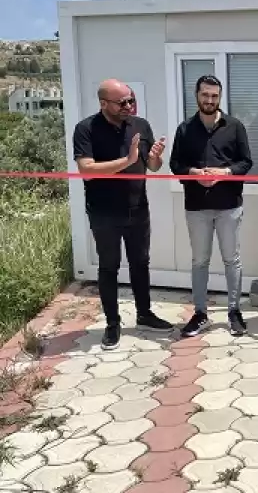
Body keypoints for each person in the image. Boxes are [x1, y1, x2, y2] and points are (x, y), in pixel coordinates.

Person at [73, 79, 173, 351]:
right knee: (109, 267)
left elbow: (152, 166)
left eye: (132, 100)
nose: (129, 106)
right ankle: (112, 324)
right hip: (104, 212)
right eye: (123, 102)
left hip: (138, 208)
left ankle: (144, 314)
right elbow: (87, 170)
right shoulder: (86, 129)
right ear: (104, 104)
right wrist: (126, 162)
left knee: (141, 263)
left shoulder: (140, 125)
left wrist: (154, 157)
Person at [169, 75, 253, 337]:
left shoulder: (235, 126)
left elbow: (246, 163)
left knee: (232, 260)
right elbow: (175, 165)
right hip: (197, 206)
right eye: (205, 95)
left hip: (229, 205)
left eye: (214, 96)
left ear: (220, 97)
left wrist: (225, 172)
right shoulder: (184, 129)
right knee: (200, 261)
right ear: (197, 95)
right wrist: (194, 172)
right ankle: (200, 313)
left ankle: (234, 311)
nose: (209, 100)